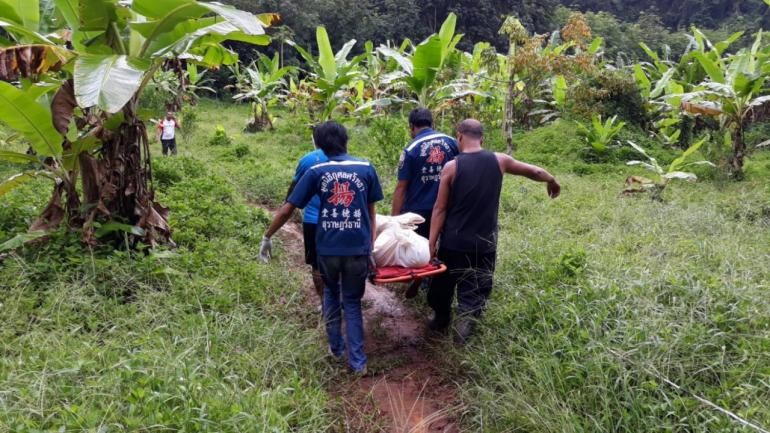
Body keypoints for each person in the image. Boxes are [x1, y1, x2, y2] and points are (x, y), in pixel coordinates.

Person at [259, 121, 383, 375]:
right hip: (357, 249)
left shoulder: (316, 170)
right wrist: (370, 247)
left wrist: (267, 236)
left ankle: (336, 350)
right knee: (352, 301)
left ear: (321, 145)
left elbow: (287, 208)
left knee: (330, 294)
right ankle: (358, 362)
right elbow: (371, 213)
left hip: (327, 248)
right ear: (345, 140)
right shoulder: (366, 169)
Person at [427, 119, 560, 344]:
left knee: (442, 284)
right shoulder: (500, 160)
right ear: (482, 139)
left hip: (454, 241)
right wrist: (552, 180)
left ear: (459, 136)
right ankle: (466, 320)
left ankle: (440, 318)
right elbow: (535, 171)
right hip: (484, 241)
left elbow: (440, 208)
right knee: (476, 286)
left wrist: (431, 243)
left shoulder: (452, 167)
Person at [391, 108, 459, 239]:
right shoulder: (452, 143)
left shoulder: (411, 149)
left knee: (419, 254)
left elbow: (401, 187)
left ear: (411, 126)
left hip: (419, 214)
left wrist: (394, 221)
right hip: (448, 209)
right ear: (432, 124)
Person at [286, 132, 329, 303]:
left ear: (315, 140)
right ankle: (339, 299)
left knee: (317, 265)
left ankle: (323, 302)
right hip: (343, 221)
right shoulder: (353, 162)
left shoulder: (309, 160)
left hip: (313, 220)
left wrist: (287, 206)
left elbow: (294, 189)